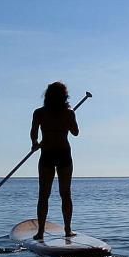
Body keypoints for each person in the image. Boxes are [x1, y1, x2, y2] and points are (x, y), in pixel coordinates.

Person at [30, 82, 79, 239]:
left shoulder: (39, 113)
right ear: (65, 96)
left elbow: (33, 133)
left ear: (47, 96)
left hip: (47, 154)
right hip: (63, 153)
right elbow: (75, 132)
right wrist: (69, 119)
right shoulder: (68, 113)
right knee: (65, 193)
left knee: (44, 194)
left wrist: (35, 144)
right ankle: (68, 230)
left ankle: (40, 232)